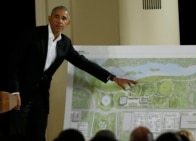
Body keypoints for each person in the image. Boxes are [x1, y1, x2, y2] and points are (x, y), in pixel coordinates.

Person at [3, 5, 137, 141]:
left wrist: (113, 78)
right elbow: (13, 63)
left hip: (42, 97)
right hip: (21, 95)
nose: (59, 21)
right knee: (17, 135)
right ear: (50, 18)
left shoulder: (65, 43)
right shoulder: (33, 35)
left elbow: (84, 63)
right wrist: (15, 91)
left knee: (38, 135)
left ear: (68, 23)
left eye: (64, 18)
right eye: (56, 17)